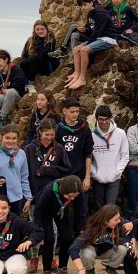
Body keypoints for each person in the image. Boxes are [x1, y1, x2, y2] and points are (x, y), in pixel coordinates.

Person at [32, 175, 83, 274]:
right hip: (44, 211)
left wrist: (80, 228)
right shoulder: (49, 190)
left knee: (68, 238)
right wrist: (39, 230)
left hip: (61, 210)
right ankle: (47, 272)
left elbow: (80, 209)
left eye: (75, 196)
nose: (73, 199)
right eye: (70, 196)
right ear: (62, 190)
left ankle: (62, 270)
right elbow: (38, 210)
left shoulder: (78, 190)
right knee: (49, 239)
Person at [69, 204, 134, 274]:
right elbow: (73, 248)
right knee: (86, 253)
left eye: (119, 218)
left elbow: (130, 224)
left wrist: (133, 239)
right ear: (106, 220)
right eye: (116, 219)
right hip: (91, 251)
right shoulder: (91, 229)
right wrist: (80, 269)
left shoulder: (118, 222)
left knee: (123, 248)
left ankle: (111, 269)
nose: (119, 221)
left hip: (107, 250)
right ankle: (89, 270)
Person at [55, 98, 93, 232]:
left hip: (79, 175)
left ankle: (80, 238)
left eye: (77, 111)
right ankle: (62, 239)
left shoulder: (84, 130)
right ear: (64, 111)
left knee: (81, 210)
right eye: (72, 111)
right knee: (61, 208)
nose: (75, 114)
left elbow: (88, 154)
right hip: (63, 176)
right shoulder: (58, 129)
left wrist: (87, 177)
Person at [65, 0, 118, 90]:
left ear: (91, 3)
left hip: (108, 38)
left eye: (85, 4)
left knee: (84, 50)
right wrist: (85, 30)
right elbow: (92, 29)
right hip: (98, 37)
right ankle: (76, 74)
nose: (83, 7)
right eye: (81, 5)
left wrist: (86, 43)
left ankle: (82, 78)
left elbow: (98, 32)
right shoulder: (90, 13)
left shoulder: (100, 13)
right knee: (76, 49)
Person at [0, 125, 32, 217]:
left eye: (14, 138)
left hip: (17, 198)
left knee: (13, 228)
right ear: (1, 137)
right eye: (7, 138)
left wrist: (28, 198)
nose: (10, 141)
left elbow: (24, 177)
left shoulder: (21, 154)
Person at [23, 119, 69, 210]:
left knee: (52, 223)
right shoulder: (29, 149)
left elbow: (66, 169)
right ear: (40, 132)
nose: (49, 138)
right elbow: (23, 173)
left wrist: (48, 170)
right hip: (34, 194)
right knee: (36, 222)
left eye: (52, 135)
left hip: (52, 193)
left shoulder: (59, 148)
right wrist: (27, 196)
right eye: (46, 134)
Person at [89, 105, 129, 208]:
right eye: (100, 119)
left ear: (110, 118)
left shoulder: (120, 133)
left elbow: (125, 156)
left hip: (114, 178)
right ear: (97, 119)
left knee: (111, 206)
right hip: (98, 178)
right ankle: (101, 224)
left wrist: (117, 172)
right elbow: (88, 157)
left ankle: (111, 224)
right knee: (99, 207)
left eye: (106, 119)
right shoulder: (92, 136)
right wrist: (94, 173)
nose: (103, 122)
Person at [0, 49, 27, 131]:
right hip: (3, 97)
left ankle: (2, 118)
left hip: (15, 96)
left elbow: (17, 86)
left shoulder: (16, 71)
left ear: (6, 59)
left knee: (10, 92)